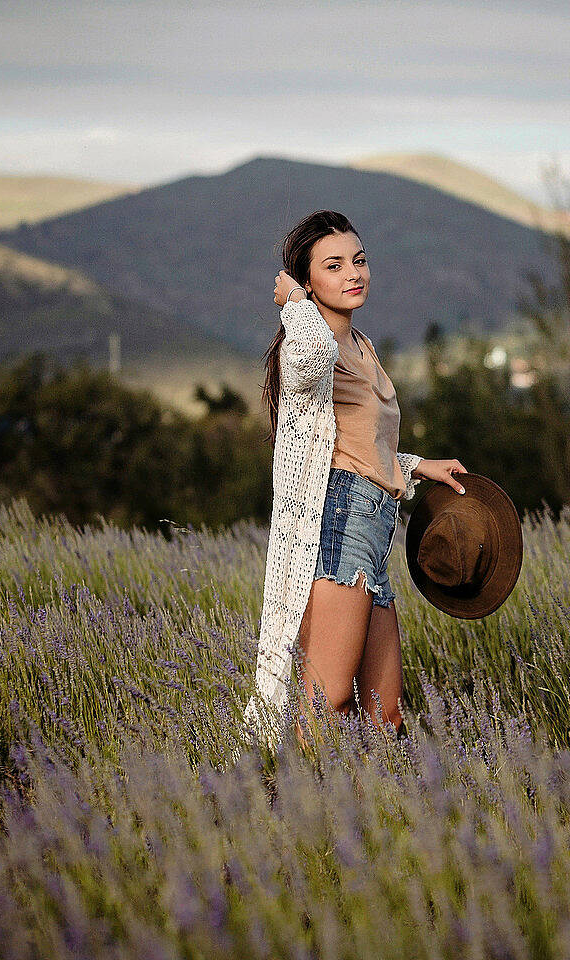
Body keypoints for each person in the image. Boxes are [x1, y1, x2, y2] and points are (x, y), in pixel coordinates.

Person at [242, 210, 467, 749]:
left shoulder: (360, 344)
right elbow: (312, 360)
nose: (353, 273)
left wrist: (415, 466)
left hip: (372, 533)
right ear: (307, 279)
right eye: (334, 265)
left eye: (359, 260)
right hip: (338, 525)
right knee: (329, 700)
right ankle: (292, 816)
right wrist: (294, 305)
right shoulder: (309, 348)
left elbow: (359, 446)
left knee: (384, 711)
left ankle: (372, 825)